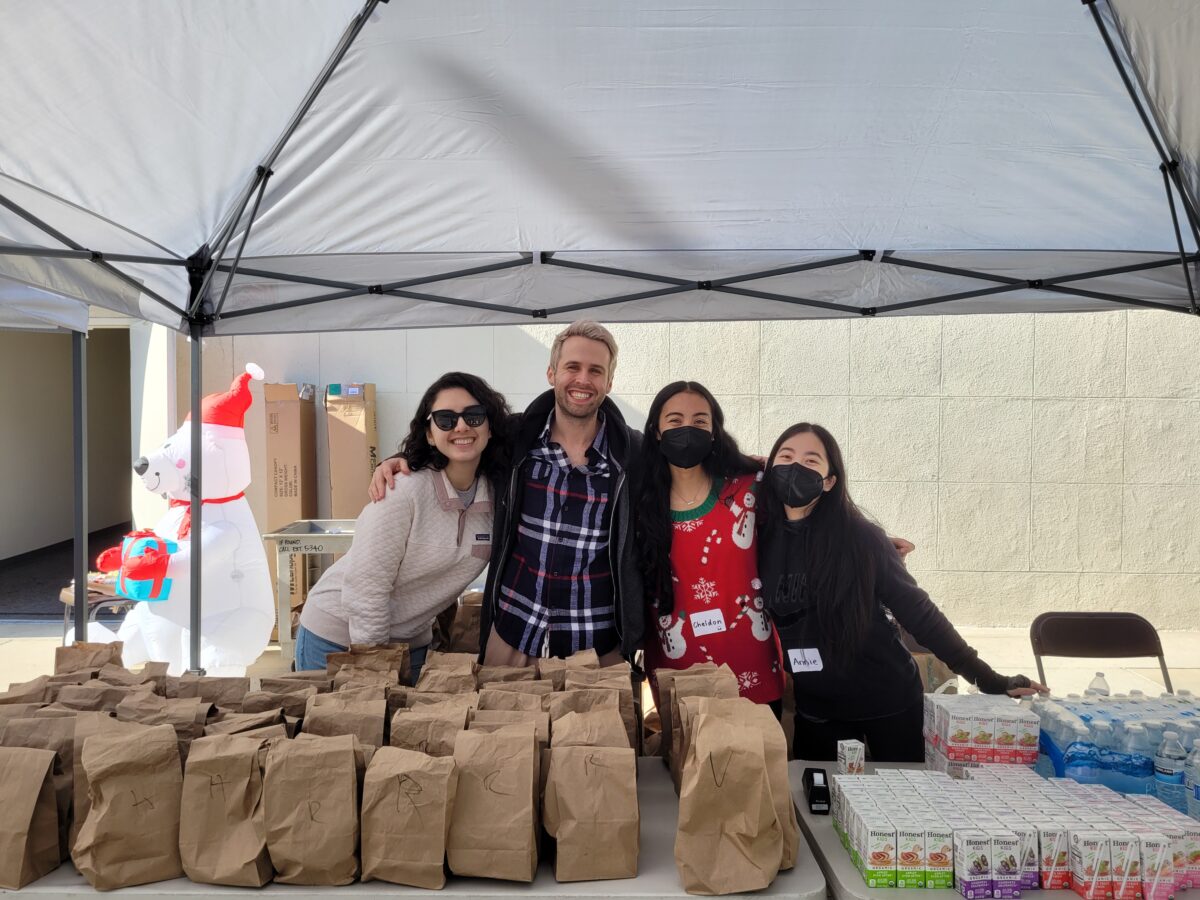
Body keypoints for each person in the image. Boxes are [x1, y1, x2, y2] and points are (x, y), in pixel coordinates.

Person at [757, 422, 1047, 762]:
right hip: (818, 713)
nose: (795, 468)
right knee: (818, 809)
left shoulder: (861, 538)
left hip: (887, 704)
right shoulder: (759, 539)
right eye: (786, 457)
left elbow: (919, 614)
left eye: (811, 461)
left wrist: (987, 677)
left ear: (830, 480)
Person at [370, 320, 644, 666]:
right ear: (551, 373)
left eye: (595, 371)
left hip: (598, 647)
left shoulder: (633, 453)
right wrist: (402, 460)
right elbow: (458, 442)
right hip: (514, 636)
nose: (583, 380)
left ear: (609, 382)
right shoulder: (515, 439)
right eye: (572, 367)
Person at [294, 372, 511, 681]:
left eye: (474, 416)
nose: (461, 426)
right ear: (430, 434)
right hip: (339, 638)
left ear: (491, 427)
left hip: (412, 642)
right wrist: (374, 667)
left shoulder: (500, 496)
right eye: (445, 419)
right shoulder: (402, 491)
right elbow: (366, 590)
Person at [636, 382, 785, 711]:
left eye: (700, 421)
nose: (687, 429)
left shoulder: (750, 489)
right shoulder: (638, 502)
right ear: (657, 431)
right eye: (674, 420)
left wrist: (874, 544)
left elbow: (809, 522)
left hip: (751, 669)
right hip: (678, 672)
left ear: (715, 431)